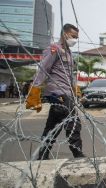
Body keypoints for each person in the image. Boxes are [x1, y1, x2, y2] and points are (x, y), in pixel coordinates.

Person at [26, 23, 85, 160]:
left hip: (66, 92)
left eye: (77, 37)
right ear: (64, 34)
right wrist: (34, 89)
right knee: (73, 123)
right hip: (57, 92)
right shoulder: (54, 49)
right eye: (73, 36)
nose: (75, 40)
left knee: (54, 125)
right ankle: (77, 154)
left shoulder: (69, 53)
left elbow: (68, 74)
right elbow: (43, 69)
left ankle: (43, 153)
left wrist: (75, 89)